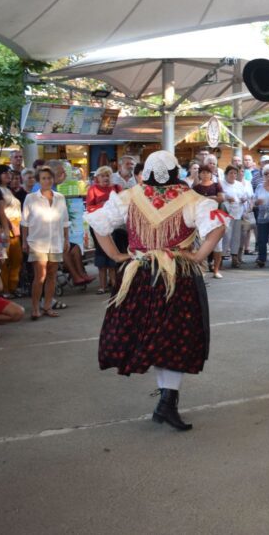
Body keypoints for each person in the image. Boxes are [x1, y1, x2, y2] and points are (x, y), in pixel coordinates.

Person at [86, 151, 226, 432]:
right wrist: (198, 257)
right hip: (177, 276)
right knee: (175, 340)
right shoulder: (191, 199)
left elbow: (97, 222)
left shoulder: (130, 196)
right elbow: (218, 226)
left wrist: (115, 255)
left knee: (152, 337)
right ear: (175, 171)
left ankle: (166, 401)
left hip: (140, 275)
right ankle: (167, 402)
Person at [21, 167, 69, 319]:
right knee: (40, 275)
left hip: (56, 241)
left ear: (53, 179)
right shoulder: (31, 198)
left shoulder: (60, 197)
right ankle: (35, 307)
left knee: (52, 275)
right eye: (43, 178)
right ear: (38, 180)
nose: (47, 181)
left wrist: (66, 239)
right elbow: (25, 222)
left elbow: (65, 221)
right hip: (37, 241)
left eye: (49, 178)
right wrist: (24, 241)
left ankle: (47, 305)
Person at [85, 166, 122, 294]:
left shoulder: (117, 188)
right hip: (98, 225)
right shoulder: (93, 189)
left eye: (108, 175)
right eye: (103, 175)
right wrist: (104, 206)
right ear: (97, 178)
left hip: (114, 226)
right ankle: (102, 286)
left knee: (114, 253)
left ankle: (114, 284)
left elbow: (121, 205)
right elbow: (89, 207)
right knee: (101, 254)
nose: (106, 178)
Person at [0, 164, 23, 297]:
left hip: (16, 227)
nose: (8, 175)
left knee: (16, 259)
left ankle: (12, 286)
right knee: (3, 260)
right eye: (4, 173)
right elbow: (0, 211)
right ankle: (4, 289)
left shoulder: (8, 190)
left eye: (9, 173)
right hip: (5, 228)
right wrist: (10, 225)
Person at [192, 165, 226, 278]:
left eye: (207, 172)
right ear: (199, 174)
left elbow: (221, 198)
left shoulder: (216, 185)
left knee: (217, 246)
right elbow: (193, 201)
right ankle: (202, 270)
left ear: (211, 174)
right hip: (201, 217)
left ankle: (216, 269)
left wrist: (210, 198)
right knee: (201, 244)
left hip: (215, 216)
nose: (205, 174)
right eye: (202, 172)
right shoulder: (196, 187)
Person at [221, 165, 252, 268]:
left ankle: (234, 257)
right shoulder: (222, 184)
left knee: (236, 236)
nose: (233, 175)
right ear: (226, 174)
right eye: (231, 173)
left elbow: (244, 196)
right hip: (226, 213)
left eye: (235, 173)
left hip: (238, 212)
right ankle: (221, 257)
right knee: (226, 236)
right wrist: (226, 198)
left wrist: (244, 199)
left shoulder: (239, 184)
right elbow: (220, 196)